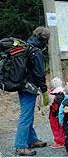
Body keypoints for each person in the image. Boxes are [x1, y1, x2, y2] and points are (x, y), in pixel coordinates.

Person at [14, 26, 50, 156]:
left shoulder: (26, 47)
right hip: (29, 87)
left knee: (28, 114)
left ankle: (31, 140)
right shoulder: (36, 51)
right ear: (45, 39)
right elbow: (40, 74)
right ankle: (20, 146)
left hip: (20, 85)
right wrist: (45, 91)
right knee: (26, 115)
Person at [48, 77, 66, 148]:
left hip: (54, 114)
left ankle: (59, 142)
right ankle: (65, 139)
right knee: (63, 126)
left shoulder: (51, 95)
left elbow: (49, 103)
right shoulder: (64, 93)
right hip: (63, 113)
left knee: (56, 128)